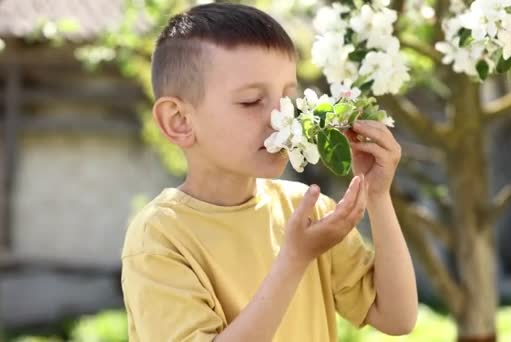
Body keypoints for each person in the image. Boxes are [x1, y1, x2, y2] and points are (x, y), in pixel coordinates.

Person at [120, 3, 418, 341]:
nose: (279, 117)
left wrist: (377, 195)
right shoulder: (160, 237)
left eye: (288, 98)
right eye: (250, 101)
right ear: (180, 121)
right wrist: (294, 259)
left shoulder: (307, 211)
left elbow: (397, 317)